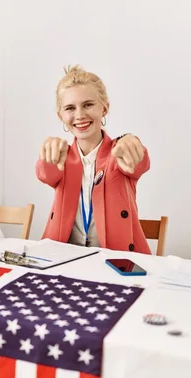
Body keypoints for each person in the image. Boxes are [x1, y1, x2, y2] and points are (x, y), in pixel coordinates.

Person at [36, 65, 152, 254]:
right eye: (70, 108)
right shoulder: (60, 155)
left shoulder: (118, 151)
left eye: (88, 104)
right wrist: (47, 157)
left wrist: (133, 145)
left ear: (104, 108)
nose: (80, 115)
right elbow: (45, 173)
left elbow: (139, 163)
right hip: (63, 259)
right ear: (61, 115)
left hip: (116, 260)